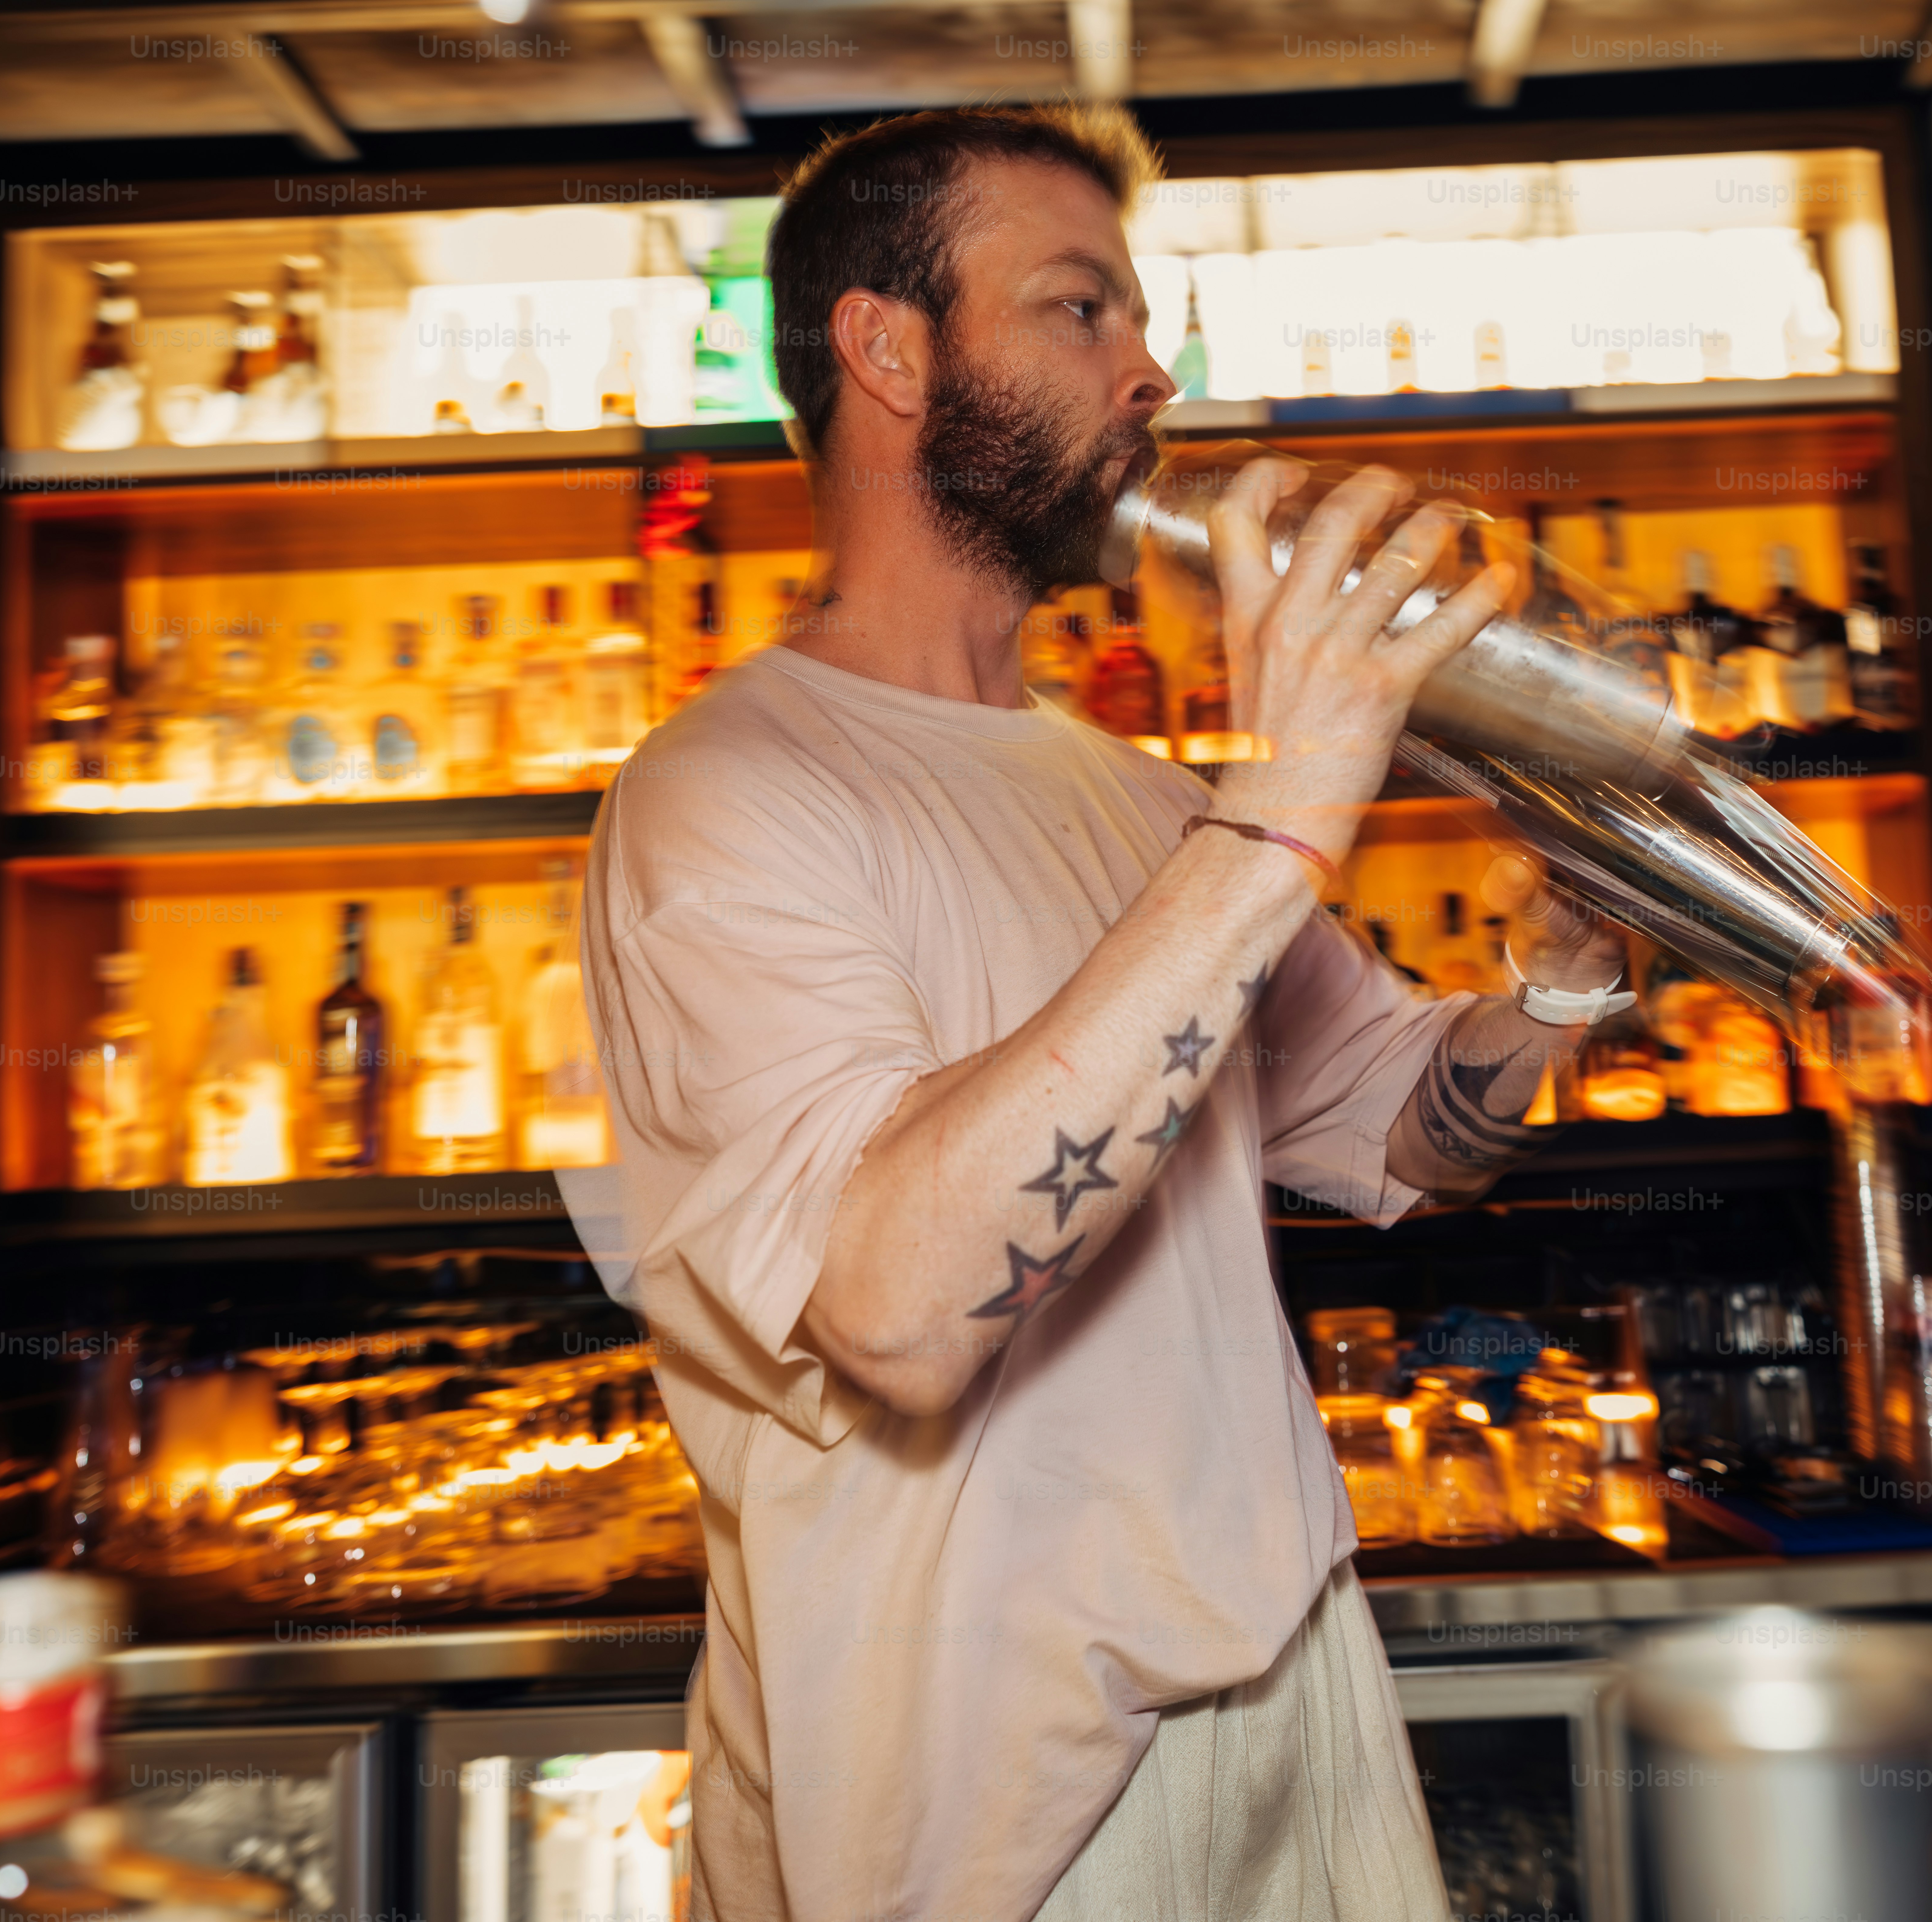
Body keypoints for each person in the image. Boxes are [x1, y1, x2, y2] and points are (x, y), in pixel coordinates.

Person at [581, 102, 1629, 1922]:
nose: (1151, 374)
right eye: (1081, 311)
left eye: (1143, 324)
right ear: (887, 349)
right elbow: (898, 1308)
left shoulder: (1141, 798)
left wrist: (1573, 963)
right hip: (992, 1810)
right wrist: (1291, 799)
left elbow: (1399, 1135)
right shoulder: (729, 789)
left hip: (1296, 1700)